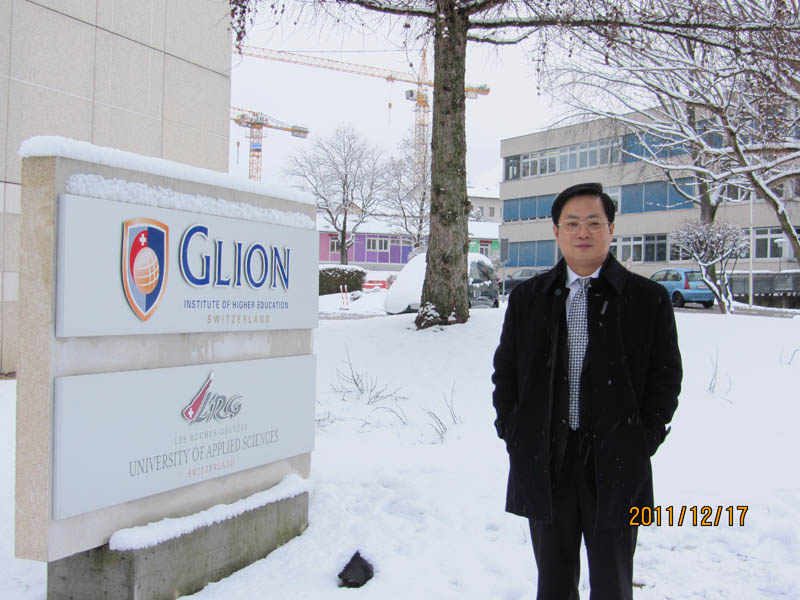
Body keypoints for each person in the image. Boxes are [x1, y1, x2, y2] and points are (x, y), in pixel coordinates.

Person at [491, 182, 682, 599]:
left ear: (611, 229)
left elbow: (666, 380)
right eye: (572, 223)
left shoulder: (647, 299)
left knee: (613, 582)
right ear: (556, 231)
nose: (583, 232)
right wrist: (513, 431)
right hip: (546, 461)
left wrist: (643, 439)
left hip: (617, 463)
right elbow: (506, 374)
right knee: (553, 583)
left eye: (594, 222)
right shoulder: (528, 299)